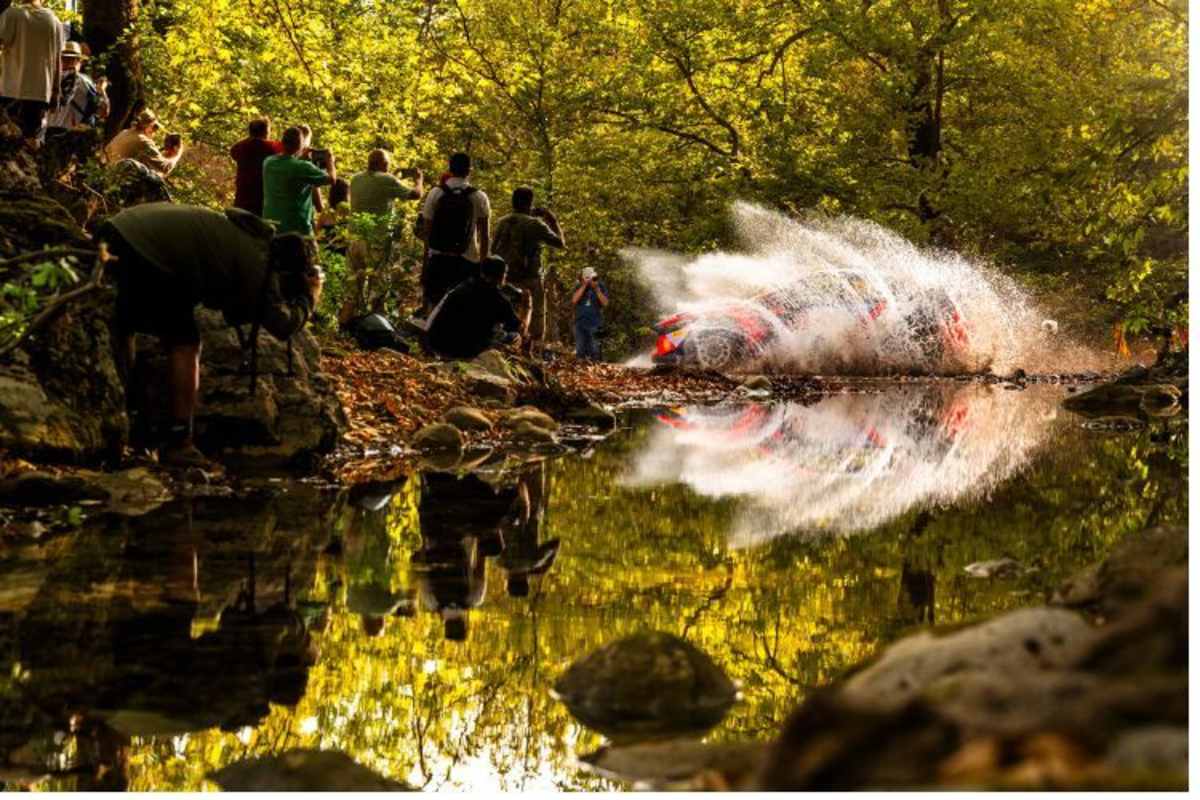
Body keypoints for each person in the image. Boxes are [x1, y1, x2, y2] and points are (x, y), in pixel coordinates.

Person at [98, 202, 323, 467]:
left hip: (117, 232)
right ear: (287, 270)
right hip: (147, 249)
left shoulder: (248, 241)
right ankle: (179, 443)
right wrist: (310, 296)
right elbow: (281, 325)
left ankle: (124, 417)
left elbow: (236, 307)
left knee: (128, 323)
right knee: (185, 344)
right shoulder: (259, 263)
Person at [491, 187, 565, 355]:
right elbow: (561, 243)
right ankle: (531, 353)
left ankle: (506, 350)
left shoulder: (503, 222)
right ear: (529, 203)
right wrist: (552, 219)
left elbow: (493, 248)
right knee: (536, 320)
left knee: (506, 316)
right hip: (530, 278)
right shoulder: (535, 224)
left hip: (505, 278)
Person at [417, 152, 490, 310]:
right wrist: (483, 269)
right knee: (463, 310)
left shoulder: (435, 193)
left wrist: (425, 264)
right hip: (467, 260)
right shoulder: (479, 196)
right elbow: (484, 236)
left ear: (449, 169)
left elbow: (427, 232)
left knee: (435, 309)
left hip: (438, 258)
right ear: (469, 170)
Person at [425, 255, 529, 361]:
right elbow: (519, 327)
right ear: (502, 276)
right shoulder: (499, 300)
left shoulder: (463, 285)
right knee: (514, 336)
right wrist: (526, 307)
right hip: (464, 351)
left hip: (436, 343)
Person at [0, 0, 63, 143]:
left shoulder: (12, 14)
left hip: (11, 92)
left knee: (7, 143)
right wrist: (56, 92)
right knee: (31, 142)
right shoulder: (54, 21)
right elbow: (57, 60)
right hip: (40, 94)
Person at [262, 125, 335, 235]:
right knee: (311, 252)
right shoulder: (303, 167)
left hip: (271, 224)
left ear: (282, 141)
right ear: (301, 145)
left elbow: (289, 169)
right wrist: (330, 161)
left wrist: (301, 159)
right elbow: (331, 179)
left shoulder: (268, 162)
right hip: (296, 228)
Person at [44, 40, 108, 133]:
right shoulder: (84, 82)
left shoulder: (47, 79)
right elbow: (103, 111)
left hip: (45, 134)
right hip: (70, 137)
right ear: (78, 60)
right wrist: (102, 90)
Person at [229, 117, 283, 216]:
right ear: (266, 131)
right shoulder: (271, 146)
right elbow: (287, 151)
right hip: (261, 197)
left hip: (243, 195)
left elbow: (233, 151)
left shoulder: (240, 147)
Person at [105, 109, 181, 176]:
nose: (154, 131)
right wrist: (177, 153)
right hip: (121, 181)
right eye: (154, 127)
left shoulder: (125, 132)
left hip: (108, 174)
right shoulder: (144, 141)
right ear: (148, 126)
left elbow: (107, 149)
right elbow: (164, 168)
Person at [349, 149, 422, 217]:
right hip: (378, 229)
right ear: (384, 163)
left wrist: (393, 177)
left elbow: (376, 190)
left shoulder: (355, 178)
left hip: (356, 227)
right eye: (387, 163)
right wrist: (418, 180)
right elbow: (416, 195)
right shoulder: (386, 179)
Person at [572, 266, 608, 360]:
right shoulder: (578, 286)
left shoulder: (600, 286)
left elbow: (605, 303)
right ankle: (580, 372)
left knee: (595, 351)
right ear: (582, 278)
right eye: (586, 277)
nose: (589, 279)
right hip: (580, 323)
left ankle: (597, 372)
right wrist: (584, 286)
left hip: (595, 323)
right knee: (580, 351)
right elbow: (574, 300)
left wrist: (597, 290)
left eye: (590, 277)